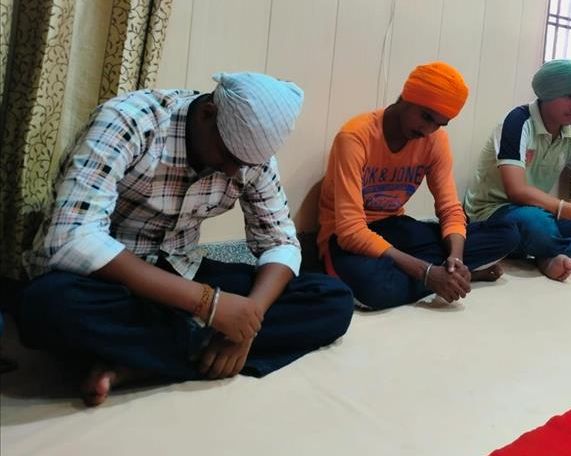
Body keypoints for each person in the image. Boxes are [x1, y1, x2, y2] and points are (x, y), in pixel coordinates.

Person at [19, 72, 354, 406]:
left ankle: (138, 361)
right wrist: (209, 305)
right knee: (45, 305)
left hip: (181, 269)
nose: (233, 171)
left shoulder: (251, 157)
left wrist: (249, 319)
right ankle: (180, 349)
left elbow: (280, 242)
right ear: (208, 114)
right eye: (228, 156)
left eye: (244, 164)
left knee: (332, 299)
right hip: (108, 277)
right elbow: (72, 235)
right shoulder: (129, 121)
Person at [319, 63, 519, 310]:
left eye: (439, 124)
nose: (428, 130)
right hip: (344, 240)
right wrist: (426, 273)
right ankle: (436, 275)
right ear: (407, 97)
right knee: (375, 288)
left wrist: (455, 260)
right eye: (426, 117)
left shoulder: (435, 141)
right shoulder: (355, 138)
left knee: (508, 233)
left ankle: (444, 274)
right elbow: (350, 231)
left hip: (395, 228)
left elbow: (450, 209)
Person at [463, 59, 571, 281]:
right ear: (548, 93)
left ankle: (563, 256)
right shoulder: (517, 122)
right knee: (537, 223)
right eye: (569, 96)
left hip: (541, 210)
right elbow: (517, 191)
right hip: (493, 212)